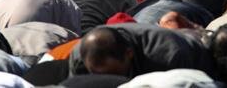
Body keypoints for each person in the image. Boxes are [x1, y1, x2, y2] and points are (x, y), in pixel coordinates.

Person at [71, 24, 214, 77]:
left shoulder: (168, 56)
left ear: (129, 54)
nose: (109, 81)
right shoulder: (79, 58)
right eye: (97, 75)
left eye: (115, 74)